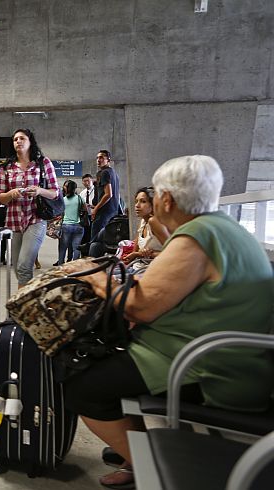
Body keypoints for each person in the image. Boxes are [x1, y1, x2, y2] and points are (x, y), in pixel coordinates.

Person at [62, 155, 274, 489]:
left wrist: (94, 278)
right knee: (110, 361)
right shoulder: (224, 229)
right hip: (230, 357)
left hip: (207, 366)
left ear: (166, 199)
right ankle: (133, 445)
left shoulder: (195, 238)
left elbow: (138, 306)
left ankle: (145, 463)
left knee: (81, 385)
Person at [0, 128, 60, 288]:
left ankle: (22, 308)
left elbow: (55, 193)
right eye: (15, 139)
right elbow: (1, 199)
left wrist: (39, 190)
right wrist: (11, 193)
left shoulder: (43, 163)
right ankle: (33, 298)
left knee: (24, 266)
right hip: (14, 221)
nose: (18, 141)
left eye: (22, 138)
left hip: (36, 219)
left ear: (30, 141)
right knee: (18, 268)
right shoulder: (6, 167)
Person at [121, 186, 169, 268]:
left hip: (151, 269)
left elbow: (171, 253)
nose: (137, 205)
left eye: (143, 201)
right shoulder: (143, 222)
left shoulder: (155, 222)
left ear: (153, 204)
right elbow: (135, 251)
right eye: (136, 201)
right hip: (137, 266)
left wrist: (143, 254)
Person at [90, 150, 120, 244]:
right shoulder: (114, 173)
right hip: (113, 212)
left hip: (104, 212)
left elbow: (108, 194)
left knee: (96, 242)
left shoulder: (104, 173)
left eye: (102, 157)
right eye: (97, 158)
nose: (98, 160)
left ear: (108, 160)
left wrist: (96, 209)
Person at [56, 180, 86, 265]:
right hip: (79, 226)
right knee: (76, 248)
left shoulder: (63, 200)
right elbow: (85, 210)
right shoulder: (80, 198)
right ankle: (75, 266)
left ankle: (61, 265)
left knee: (62, 248)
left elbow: (60, 213)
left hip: (66, 226)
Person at [79, 173, 96, 242]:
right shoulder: (82, 193)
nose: (86, 183)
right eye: (84, 181)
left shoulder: (96, 191)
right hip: (85, 217)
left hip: (94, 216)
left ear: (92, 180)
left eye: (88, 181)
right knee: (85, 236)